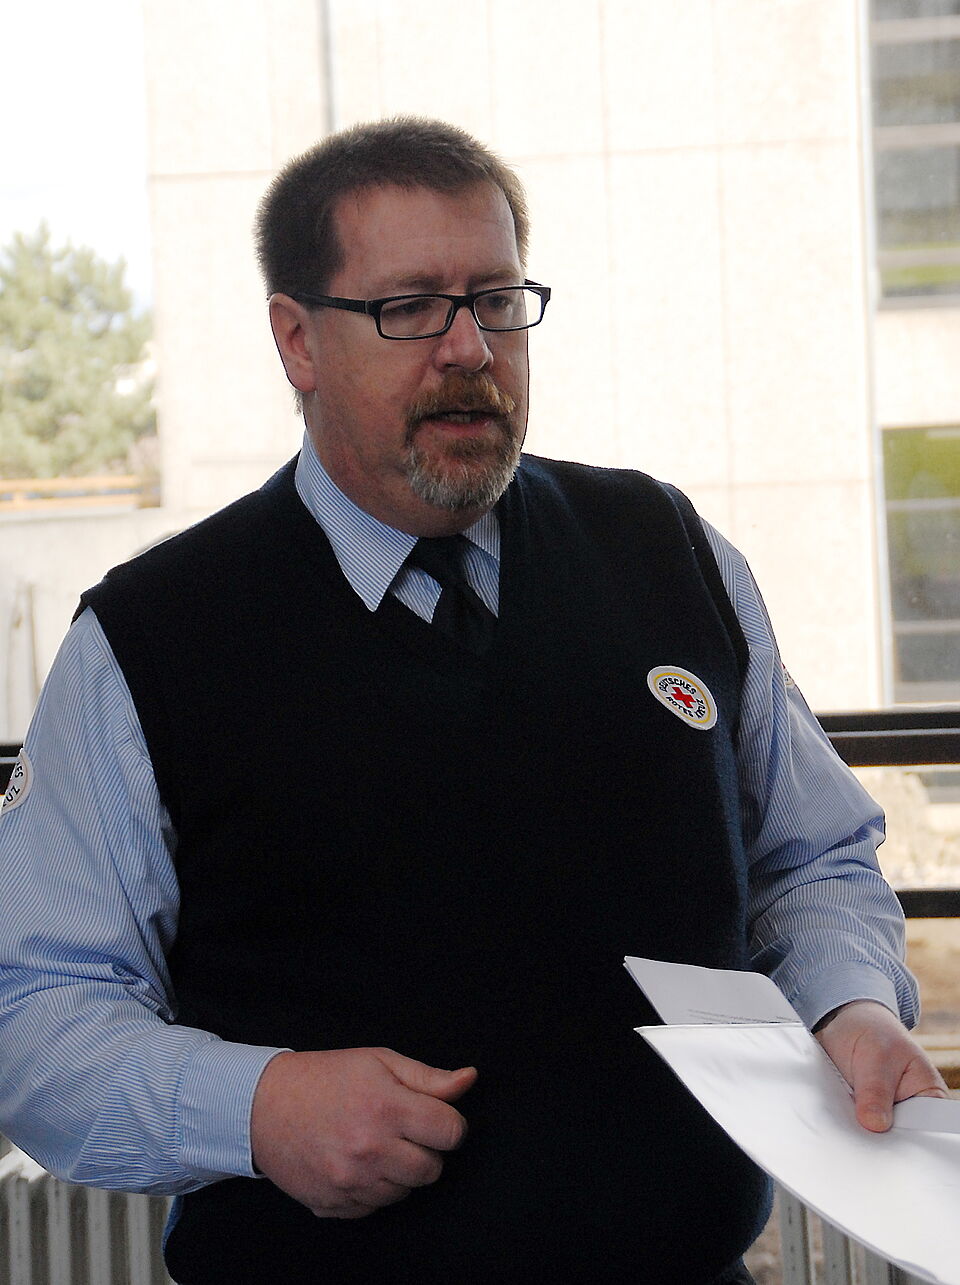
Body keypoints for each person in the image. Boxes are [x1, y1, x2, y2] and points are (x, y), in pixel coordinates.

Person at [0, 117, 947, 1285]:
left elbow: (812, 861)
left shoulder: (668, 550)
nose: (469, 348)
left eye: (497, 301)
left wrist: (850, 1007)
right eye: (410, 308)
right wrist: (255, 1106)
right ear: (296, 340)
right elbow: (36, 1012)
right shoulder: (151, 641)